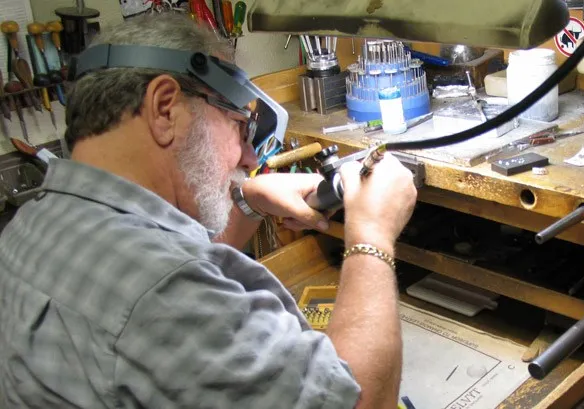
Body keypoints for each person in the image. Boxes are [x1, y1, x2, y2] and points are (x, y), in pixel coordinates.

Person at [0, 13, 416, 409]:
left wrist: (248, 200)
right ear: (165, 109)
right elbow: (359, 399)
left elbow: (180, 257)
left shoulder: (29, 226)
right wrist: (372, 234)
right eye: (241, 126)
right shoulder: (159, 294)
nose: (251, 156)